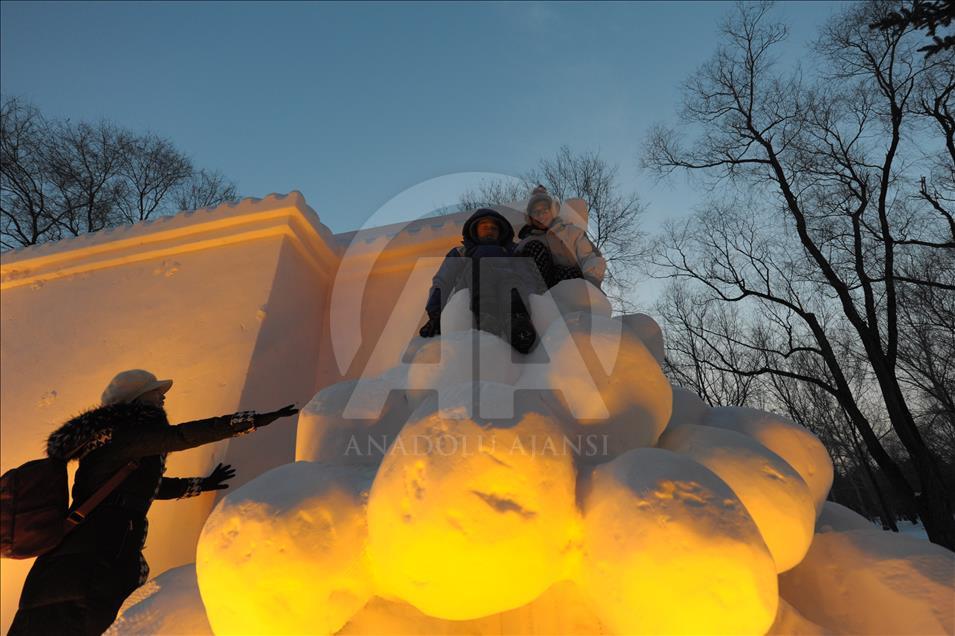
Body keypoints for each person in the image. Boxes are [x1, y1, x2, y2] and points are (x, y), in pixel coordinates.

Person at [9, 369, 298, 636]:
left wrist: (201, 485)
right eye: (154, 390)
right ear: (137, 399)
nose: (162, 395)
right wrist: (251, 421)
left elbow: (140, 489)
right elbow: (181, 436)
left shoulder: (109, 438)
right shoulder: (124, 434)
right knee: (85, 620)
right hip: (97, 552)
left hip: (90, 546)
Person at [419, 207, 538, 353]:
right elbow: (443, 280)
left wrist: (537, 298)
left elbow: (526, 276)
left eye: (494, 228)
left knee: (511, 281)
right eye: (484, 227)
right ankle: (487, 319)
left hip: (507, 285)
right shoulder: (461, 253)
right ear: (475, 230)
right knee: (481, 263)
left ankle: (518, 323)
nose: (490, 230)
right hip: (473, 285)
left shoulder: (512, 253)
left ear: (500, 233)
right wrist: (436, 312)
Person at [515, 185, 606, 289]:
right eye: (536, 212)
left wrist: (591, 282)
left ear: (553, 211)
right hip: (538, 291)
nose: (541, 216)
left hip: (573, 287)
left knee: (566, 272)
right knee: (534, 246)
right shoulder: (526, 242)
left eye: (545, 210)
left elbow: (590, 257)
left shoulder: (572, 233)